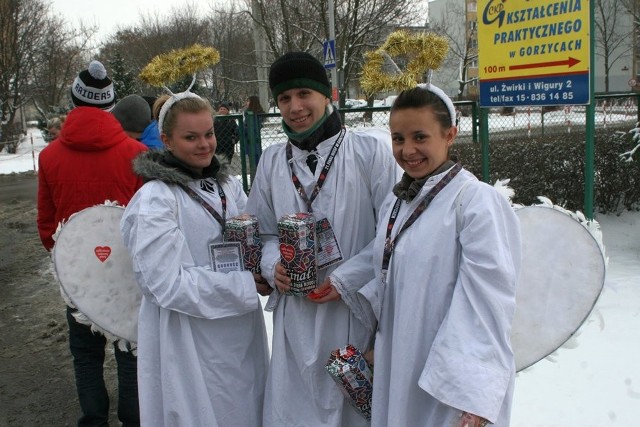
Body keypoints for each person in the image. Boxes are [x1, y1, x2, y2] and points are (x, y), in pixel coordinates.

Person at [245, 51, 400, 426]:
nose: (295, 107)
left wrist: (346, 278)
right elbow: (261, 229)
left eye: (303, 94)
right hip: (296, 316)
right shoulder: (270, 161)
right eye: (284, 99)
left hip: (353, 310)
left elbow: (393, 232)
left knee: (351, 410)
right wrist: (273, 266)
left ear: (326, 93)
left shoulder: (369, 153)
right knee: (297, 408)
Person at [358, 85, 521, 427]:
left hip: (449, 384)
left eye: (420, 136)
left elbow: (487, 301)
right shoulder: (397, 201)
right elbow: (393, 277)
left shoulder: (475, 202)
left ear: (450, 135)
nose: (408, 150)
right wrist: (380, 343)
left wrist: (476, 394)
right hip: (399, 364)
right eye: (398, 138)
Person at [120, 91, 270, 426]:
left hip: (239, 332)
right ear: (166, 141)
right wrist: (242, 284)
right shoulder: (156, 200)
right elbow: (165, 284)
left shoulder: (227, 186)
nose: (204, 145)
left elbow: (251, 233)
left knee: (247, 407)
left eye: (209, 134)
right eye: (191, 137)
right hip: (189, 338)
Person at [37, 60, 147, 427]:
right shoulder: (135, 155)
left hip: (77, 273)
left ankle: (94, 420)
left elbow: (45, 222)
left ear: (73, 100)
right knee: (129, 349)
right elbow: (148, 220)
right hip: (125, 269)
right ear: (110, 104)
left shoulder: (50, 156)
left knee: (85, 354)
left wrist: (66, 257)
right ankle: (133, 419)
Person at [242, 95, 266, 167]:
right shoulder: (251, 113)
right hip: (252, 140)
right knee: (255, 160)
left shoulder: (252, 114)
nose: (247, 103)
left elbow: (251, 128)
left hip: (252, 140)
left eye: (248, 101)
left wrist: (242, 127)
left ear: (252, 102)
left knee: (255, 162)